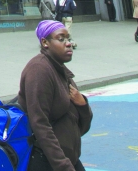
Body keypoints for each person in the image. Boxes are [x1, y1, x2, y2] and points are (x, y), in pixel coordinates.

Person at [18, 19, 92, 171]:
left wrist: (82, 105)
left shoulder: (61, 71)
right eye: (61, 39)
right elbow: (40, 124)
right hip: (48, 162)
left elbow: (81, 127)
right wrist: (63, 165)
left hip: (68, 158)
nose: (68, 43)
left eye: (68, 38)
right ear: (45, 42)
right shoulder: (39, 70)